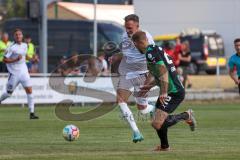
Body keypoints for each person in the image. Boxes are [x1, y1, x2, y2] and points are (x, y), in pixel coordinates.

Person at [132, 31, 196, 151]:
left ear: (140, 42)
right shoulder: (154, 50)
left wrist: (163, 92)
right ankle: (164, 146)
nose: (136, 48)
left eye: (135, 45)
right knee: (157, 121)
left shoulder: (151, 53)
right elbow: (157, 74)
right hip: (171, 90)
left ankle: (186, 115)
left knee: (156, 123)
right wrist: (148, 87)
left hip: (174, 92)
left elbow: (163, 72)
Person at [116, 14, 155, 143]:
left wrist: (152, 75)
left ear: (137, 26)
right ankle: (136, 132)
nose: (128, 30)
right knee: (120, 100)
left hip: (142, 73)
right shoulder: (124, 36)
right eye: (126, 27)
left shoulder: (146, 37)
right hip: (128, 72)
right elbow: (127, 53)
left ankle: (152, 108)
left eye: (130, 28)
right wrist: (117, 57)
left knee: (142, 110)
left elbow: (154, 54)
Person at [0, 28, 39, 119]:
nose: (18, 36)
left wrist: (33, 59)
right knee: (8, 93)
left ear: (22, 36)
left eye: (20, 34)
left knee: (30, 91)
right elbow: (4, 59)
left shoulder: (25, 45)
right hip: (14, 74)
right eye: (16, 35)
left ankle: (32, 113)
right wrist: (15, 59)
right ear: (14, 36)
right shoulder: (11, 47)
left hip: (24, 72)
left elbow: (26, 56)